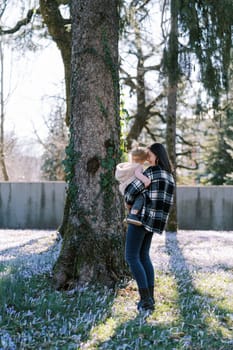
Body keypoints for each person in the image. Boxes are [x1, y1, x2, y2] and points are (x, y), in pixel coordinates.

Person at [124, 143, 175, 312]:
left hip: (140, 218)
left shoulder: (152, 172)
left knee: (131, 256)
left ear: (157, 157)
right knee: (143, 256)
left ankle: (145, 301)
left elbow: (130, 192)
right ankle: (150, 298)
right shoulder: (170, 177)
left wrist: (129, 203)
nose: (147, 158)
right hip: (154, 222)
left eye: (150, 155)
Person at [115, 147, 151, 225]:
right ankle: (133, 215)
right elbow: (138, 174)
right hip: (131, 188)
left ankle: (128, 216)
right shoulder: (138, 166)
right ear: (143, 159)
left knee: (130, 203)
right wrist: (146, 180)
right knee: (141, 197)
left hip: (124, 189)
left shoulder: (127, 166)